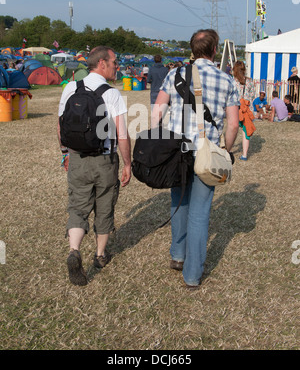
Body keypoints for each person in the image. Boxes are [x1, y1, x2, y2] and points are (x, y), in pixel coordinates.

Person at [151, 29, 240, 290]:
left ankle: (178, 255)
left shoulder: (174, 74)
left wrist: (157, 139)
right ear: (215, 50)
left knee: (179, 202)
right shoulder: (227, 81)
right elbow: (233, 124)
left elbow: (157, 112)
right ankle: (192, 276)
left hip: (176, 150)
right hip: (205, 151)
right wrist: (226, 149)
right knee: (200, 214)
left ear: (193, 50)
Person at [57, 46, 131, 286]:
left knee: (78, 207)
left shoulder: (70, 88)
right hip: (105, 160)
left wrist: (65, 153)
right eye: (114, 62)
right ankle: (100, 255)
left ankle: (74, 250)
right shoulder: (112, 93)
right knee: (104, 205)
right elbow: (122, 135)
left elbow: (61, 126)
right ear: (102, 63)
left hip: (77, 158)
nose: (116, 66)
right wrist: (127, 163)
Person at [232, 61, 256, 161]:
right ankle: (245, 154)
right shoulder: (250, 81)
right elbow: (253, 95)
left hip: (235, 109)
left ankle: (228, 150)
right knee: (246, 131)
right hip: (247, 109)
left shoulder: (233, 81)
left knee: (232, 129)